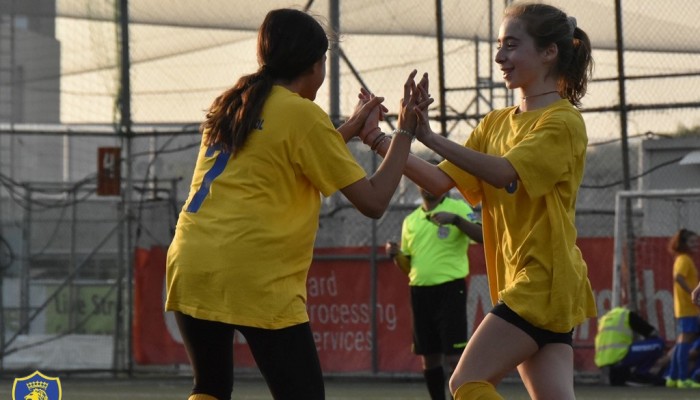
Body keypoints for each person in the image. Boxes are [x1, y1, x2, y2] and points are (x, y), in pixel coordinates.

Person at [164, 8, 432, 400]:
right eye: (323, 62)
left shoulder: (233, 103)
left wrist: (350, 129)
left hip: (192, 260)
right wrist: (406, 130)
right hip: (253, 271)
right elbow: (374, 202)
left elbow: (285, 158)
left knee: (209, 387)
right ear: (313, 64)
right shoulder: (302, 115)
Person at [360, 2, 596, 399]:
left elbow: (504, 173)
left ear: (549, 52)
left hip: (543, 283)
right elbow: (438, 180)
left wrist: (430, 136)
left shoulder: (563, 122)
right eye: (498, 45)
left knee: (465, 382)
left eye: (511, 45)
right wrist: (381, 140)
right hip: (533, 284)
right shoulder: (494, 123)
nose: (500, 56)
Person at [385, 165, 483, 400]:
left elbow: (482, 237)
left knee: (454, 356)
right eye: (423, 179)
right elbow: (408, 266)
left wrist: (457, 221)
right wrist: (396, 255)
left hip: (450, 289)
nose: (427, 184)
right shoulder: (411, 221)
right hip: (419, 292)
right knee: (429, 356)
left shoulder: (457, 209)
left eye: (434, 180)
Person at [594, 306, 667, 386]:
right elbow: (651, 332)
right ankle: (640, 375)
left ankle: (626, 376)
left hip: (602, 361)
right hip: (619, 356)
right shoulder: (626, 314)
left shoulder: (604, 319)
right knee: (658, 344)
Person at [665, 228, 700, 388]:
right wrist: (693, 292)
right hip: (688, 307)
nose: (696, 244)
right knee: (685, 341)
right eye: (692, 242)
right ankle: (683, 378)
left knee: (682, 342)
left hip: (686, 307)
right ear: (683, 243)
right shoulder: (684, 259)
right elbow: (678, 277)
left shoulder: (684, 259)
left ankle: (672, 377)